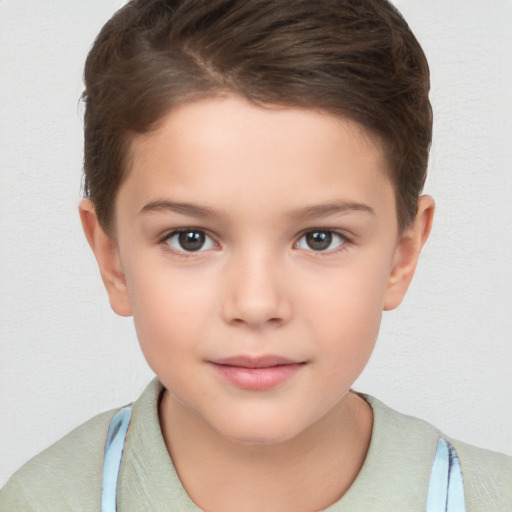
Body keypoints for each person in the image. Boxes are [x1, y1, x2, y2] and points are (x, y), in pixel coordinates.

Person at [1, 0, 510, 510]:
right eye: (190, 238)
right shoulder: (38, 500)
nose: (257, 303)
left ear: (403, 255)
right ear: (112, 259)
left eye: (320, 238)